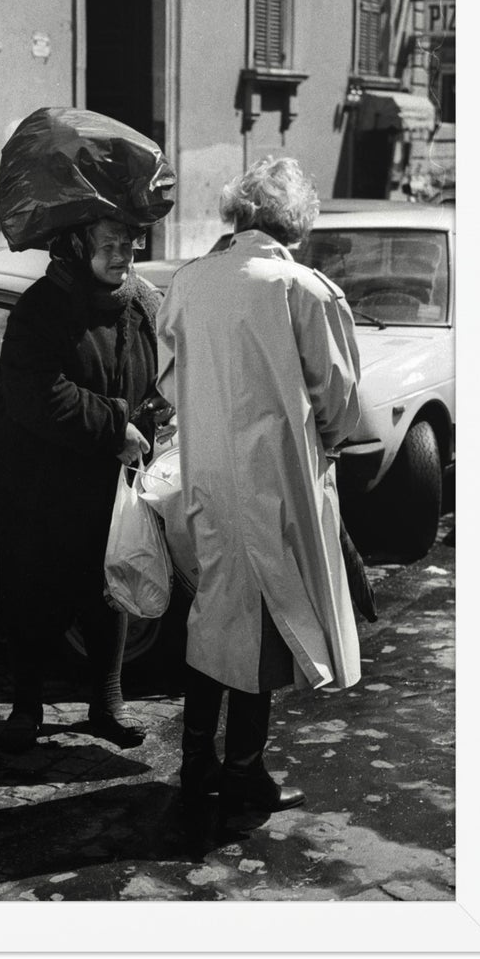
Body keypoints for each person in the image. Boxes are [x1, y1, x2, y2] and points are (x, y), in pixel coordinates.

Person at [156, 156, 363, 816]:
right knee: (266, 619)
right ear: (294, 221)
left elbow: (168, 377)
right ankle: (243, 770)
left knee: (215, 611)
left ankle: (198, 762)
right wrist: (322, 441)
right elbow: (338, 398)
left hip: (208, 471)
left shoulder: (190, 280)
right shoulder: (302, 289)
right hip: (277, 474)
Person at [0, 217, 171, 752]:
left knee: (110, 586)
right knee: (35, 591)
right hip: (43, 484)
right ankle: (26, 707)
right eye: (108, 245)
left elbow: (160, 379)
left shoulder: (141, 305)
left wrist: (154, 414)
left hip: (108, 483)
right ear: (76, 247)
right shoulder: (40, 308)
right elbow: (38, 393)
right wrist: (115, 427)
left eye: (128, 244)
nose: (122, 256)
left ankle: (107, 702)